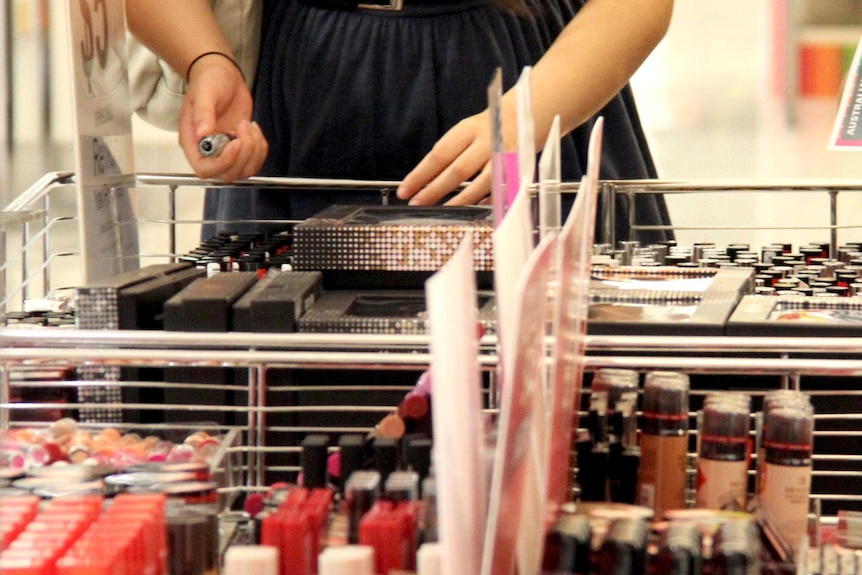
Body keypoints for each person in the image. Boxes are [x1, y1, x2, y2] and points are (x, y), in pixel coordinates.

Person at [125, 0, 674, 242]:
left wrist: (526, 114)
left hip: (532, 80)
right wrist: (206, 57)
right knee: (288, 416)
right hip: (298, 98)